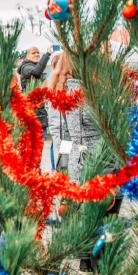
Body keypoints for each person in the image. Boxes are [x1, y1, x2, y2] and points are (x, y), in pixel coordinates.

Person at [45, 52, 99, 183]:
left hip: (77, 156)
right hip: (87, 161)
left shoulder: (63, 88)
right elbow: (67, 130)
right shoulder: (78, 92)